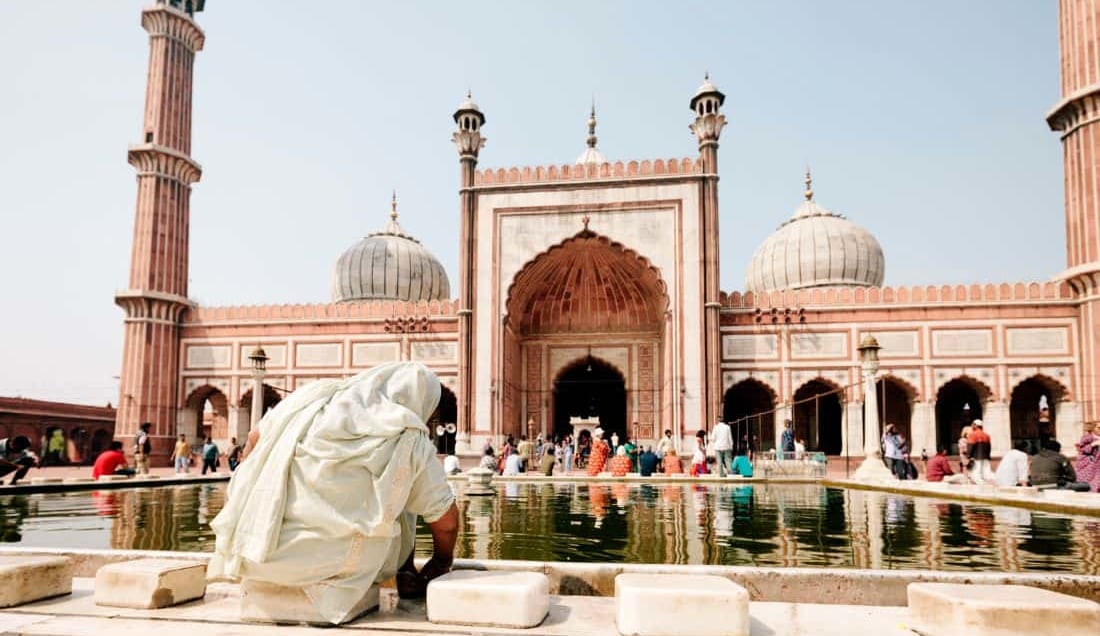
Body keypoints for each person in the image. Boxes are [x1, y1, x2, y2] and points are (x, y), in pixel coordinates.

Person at [210, 362, 459, 625]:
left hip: (258, 553)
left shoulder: (312, 400)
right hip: (336, 568)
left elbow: (254, 437)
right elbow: (447, 523)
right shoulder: (409, 436)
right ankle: (404, 573)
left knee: (398, 480)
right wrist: (442, 562)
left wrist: (251, 487)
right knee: (400, 485)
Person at [1074, 420, 1100, 492]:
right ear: (1093, 428)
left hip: (1097, 463)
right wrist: (1093, 444)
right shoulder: (1087, 437)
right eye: (1098, 428)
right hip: (1088, 463)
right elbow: (1082, 450)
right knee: (1088, 480)